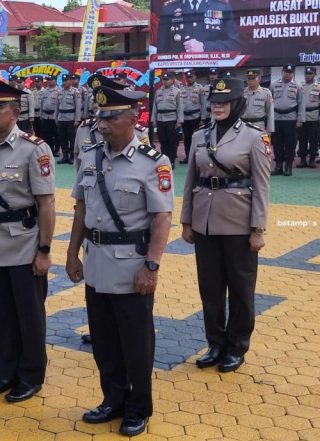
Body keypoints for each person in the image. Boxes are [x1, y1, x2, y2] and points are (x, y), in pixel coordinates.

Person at [67, 86, 174, 436]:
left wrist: (152, 265)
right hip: (96, 263)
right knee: (104, 339)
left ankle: (139, 406)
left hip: (132, 267)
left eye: (111, 117)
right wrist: (71, 254)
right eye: (101, 116)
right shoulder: (90, 156)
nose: (103, 123)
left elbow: (161, 219)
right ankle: (112, 399)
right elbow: (81, 209)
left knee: (136, 343)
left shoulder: (153, 162)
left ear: (132, 119)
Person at [0, 77, 55, 402]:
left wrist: (44, 250)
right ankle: (6, 372)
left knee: (29, 315)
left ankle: (31, 376)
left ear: (15, 112)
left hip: (23, 243)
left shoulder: (35, 149)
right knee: (1, 313)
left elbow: (46, 203)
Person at [180, 77, 271, 373]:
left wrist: (258, 229)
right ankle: (215, 343)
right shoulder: (199, 136)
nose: (218, 107)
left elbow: (261, 185)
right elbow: (190, 180)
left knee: (241, 289)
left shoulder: (254, 137)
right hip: (205, 222)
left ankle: (237, 345)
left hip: (238, 224)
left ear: (236, 104)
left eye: (224, 102)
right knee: (210, 288)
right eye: (215, 102)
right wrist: (187, 220)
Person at [156, 0, 239, 54]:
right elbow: (161, 49)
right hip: (179, 73)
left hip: (212, 71)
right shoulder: (169, 9)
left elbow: (234, 44)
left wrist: (205, 46)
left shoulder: (221, 7)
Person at [270, 64, 304, 176]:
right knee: (277, 142)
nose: (288, 74)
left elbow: (301, 104)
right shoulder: (274, 85)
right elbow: (269, 104)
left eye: (290, 72)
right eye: (286, 72)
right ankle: (278, 166)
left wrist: (300, 119)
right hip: (276, 117)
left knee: (290, 143)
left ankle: (288, 166)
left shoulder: (298, 86)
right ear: (282, 72)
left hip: (291, 118)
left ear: (293, 73)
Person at [151, 72, 183, 168]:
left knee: (172, 141)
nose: (165, 81)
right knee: (163, 141)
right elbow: (155, 107)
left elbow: (180, 107)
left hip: (172, 119)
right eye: (163, 79)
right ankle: (164, 160)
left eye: (167, 79)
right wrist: (154, 120)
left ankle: (172, 160)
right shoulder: (158, 91)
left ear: (172, 80)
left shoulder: (177, 91)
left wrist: (179, 121)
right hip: (160, 119)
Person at [56, 75, 82, 165]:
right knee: (62, 138)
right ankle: (65, 156)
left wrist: (77, 119)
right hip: (61, 118)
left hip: (71, 118)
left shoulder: (75, 92)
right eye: (63, 81)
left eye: (66, 81)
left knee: (72, 139)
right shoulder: (59, 92)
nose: (64, 83)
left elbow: (78, 107)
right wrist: (56, 118)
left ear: (70, 81)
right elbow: (57, 106)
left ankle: (72, 157)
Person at [180, 71, 205, 164]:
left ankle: (196, 157)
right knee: (186, 138)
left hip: (196, 117)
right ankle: (188, 157)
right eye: (188, 77)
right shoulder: (182, 88)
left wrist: (202, 119)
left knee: (196, 138)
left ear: (195, 77)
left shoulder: (200, 88)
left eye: (191, 77)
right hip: (185, 118)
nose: (189, 78)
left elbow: (203, 104)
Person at [297, 66, 319, 168]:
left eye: (310, 74)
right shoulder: (300, 86)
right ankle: (302, 160)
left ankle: (312, 160)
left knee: (313, 139)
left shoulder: (318, 87)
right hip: (302, 116)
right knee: (302, 139)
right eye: (306, 74)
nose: (308, 75)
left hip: (314, 116)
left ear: (315, 74)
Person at [242, 69, 274, 134]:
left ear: (259, 79)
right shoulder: (242, 92)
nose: (250, 80)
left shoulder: (266, 92)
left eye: (253, 78)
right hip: (243, 125)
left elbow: (270, 112)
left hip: (258, 125)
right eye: (249, 78)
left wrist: (270, 130)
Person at [40, 77, 59, 156]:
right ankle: (49, 150)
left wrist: (57, 116)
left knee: (56, 134)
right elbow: (42, 103)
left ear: (55, 81)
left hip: (53, 116)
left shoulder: (58, 90)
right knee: (47, 135)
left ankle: (57, 150)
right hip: (45, 116)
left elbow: (59, 105)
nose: (49, 82)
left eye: (51, 80)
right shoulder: (45, 91)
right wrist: (41, 114)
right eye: (48, 80)